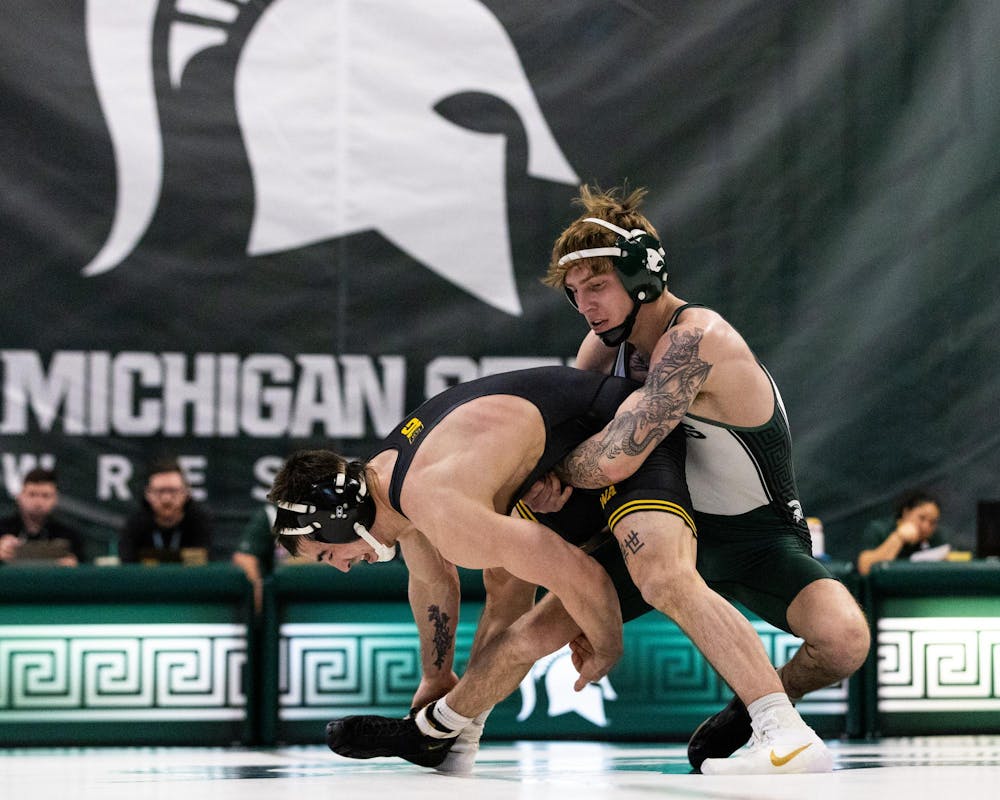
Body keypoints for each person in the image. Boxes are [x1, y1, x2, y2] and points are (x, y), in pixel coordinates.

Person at [324, 188, 864, 776]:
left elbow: (612, 457)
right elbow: (565, 427)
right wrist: (541, 483)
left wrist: (547, 476)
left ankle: (764, 711)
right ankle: (450, 730)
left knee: (843, 641)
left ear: (643, 278)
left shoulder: (697, 339)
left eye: (598, 286)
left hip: (757, 536)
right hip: (673, 518)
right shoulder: (604, 348)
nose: (586, 305)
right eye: (575, 292)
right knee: (527, 592)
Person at [267, 367, 654, 723]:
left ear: (338, 520)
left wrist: (606, 646)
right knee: (505, 581)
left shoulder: (433, 503)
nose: (342, 567)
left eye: (327, 553)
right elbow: (434, 583)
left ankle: (456, 723)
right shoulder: (387, 484)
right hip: (586, 431)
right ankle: (458, 724)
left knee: (536, 596)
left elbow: (574, 569)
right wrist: (436, 677)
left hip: (631, 427)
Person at [118, 458, 212, 564]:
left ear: (186, 493)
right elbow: (127, 564)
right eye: (159, 491)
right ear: (148, 494)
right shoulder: (135, 524)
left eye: (173, 491)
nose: (166, 499)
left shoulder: (199, 522)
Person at [0, 467, 85, 566]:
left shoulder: (69, 536)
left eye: (45, 496)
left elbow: (83, 567)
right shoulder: (2, 530)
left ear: (55, 500)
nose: (38, 502)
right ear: (19, 497)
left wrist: (72, 564)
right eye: (32, 495)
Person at [856, 489, 949, 576]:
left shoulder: (935, 537)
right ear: (906, 512)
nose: (926, 526)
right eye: (921, 518)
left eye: (932, 522)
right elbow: (865, 568)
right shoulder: (880, 530)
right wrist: (898, 538)